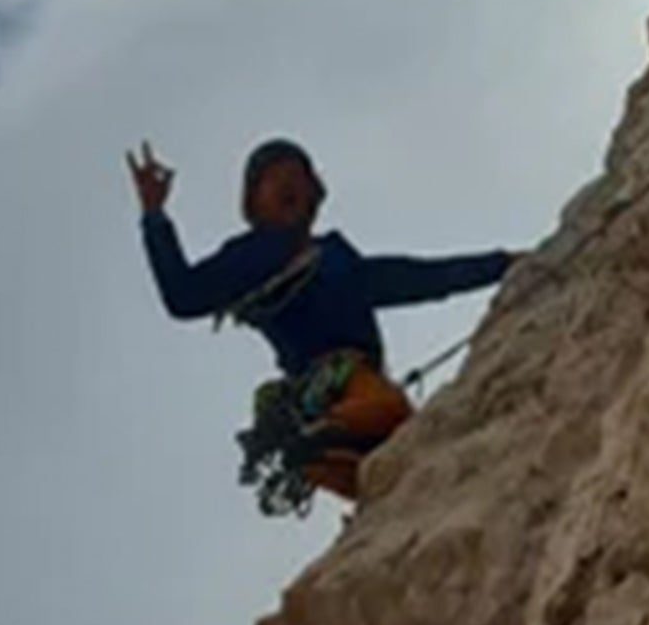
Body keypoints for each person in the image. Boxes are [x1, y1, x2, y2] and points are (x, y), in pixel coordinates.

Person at [129, 137, 515, 512]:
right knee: (389, 411)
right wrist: (154, 216)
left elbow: (418, 277)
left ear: (314, 193)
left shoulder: (335, 259)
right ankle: (324, 441)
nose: (288, 185)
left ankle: (335, 457)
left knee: (399, 447)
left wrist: (500, 266)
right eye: (275, 180)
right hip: (331, 383)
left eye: (296, 178)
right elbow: (184, 296)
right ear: (255, 206)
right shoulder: (256, 254)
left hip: (340, 395)